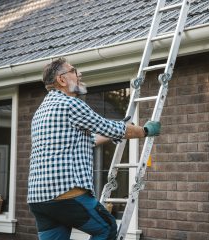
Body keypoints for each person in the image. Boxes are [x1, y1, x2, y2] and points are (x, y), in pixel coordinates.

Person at [27, 57, 160, 240]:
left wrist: (115, 132)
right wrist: (145, 131)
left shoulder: (42, 110)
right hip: (65, 195)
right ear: (62, 80)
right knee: (106, 228)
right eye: (73, 70)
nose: (79, 74)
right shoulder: (70, 104)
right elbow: (111, 128)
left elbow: (88, 140)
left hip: (39, 199)